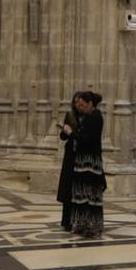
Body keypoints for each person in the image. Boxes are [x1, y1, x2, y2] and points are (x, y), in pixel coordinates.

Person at [60, 90, 106, 238]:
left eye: (82, 104)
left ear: (90, 103)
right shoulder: (85, 116)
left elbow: (87, 139)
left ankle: (92, 226)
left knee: (91, 195)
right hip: (81, 161)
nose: (79, 107)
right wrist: (67, 132)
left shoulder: (95, 117)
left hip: (90, 162)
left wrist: (71, 133)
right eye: (77, 104)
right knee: (81, 194)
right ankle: (80, 224)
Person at [55, 94, 78, 230]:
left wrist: (72, 133)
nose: (77, 105)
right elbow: (63, 137)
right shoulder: (70, 115)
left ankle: (77, 219)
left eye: (80, 102)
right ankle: (66, 221)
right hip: (70, 155)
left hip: (80, 155)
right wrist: (64, 130)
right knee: (68, 188)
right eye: (75, 102)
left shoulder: (86, 117)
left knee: (78, 188)